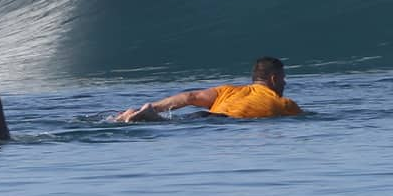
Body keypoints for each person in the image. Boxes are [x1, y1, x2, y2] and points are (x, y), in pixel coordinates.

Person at [116, 56, 303, 122]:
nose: (285, 84)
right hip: (220, 122)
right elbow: (303, 118)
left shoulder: (228, 91)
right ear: (274, 78)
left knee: (164, 120)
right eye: (284, 79)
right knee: (163, 123)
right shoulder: (285, 103)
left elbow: (190, 96)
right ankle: (148, 116)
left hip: (205, 116)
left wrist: (155, 107)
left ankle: (142, 112)